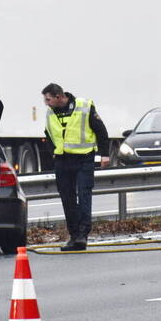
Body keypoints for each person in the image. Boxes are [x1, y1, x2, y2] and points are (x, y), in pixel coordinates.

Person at [42, 83, 110, 251]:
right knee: (67, 198)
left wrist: (105, 154)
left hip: (83, 158)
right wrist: (53, 152)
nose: (46, 103)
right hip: (62, 160)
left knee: (84, 194)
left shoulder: (83, 106)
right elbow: (48, 134)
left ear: (58, 97)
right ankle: (74, 236)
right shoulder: (50, 112)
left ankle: (82, 235)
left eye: (48, 99)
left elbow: (101, 131)